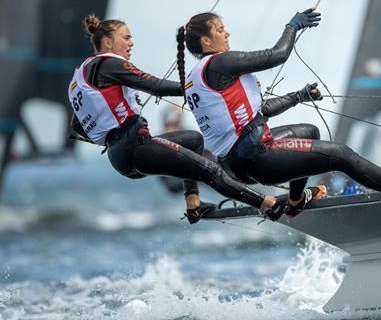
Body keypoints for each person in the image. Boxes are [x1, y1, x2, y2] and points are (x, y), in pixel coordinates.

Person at [175, 9, 381, 218]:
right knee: (340, 154)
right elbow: (277, 55)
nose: (227, 34)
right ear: (206, 40)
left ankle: (296, 202)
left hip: (238, 161)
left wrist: (299, 96)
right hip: (257, 157)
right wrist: (292, 26)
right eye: (221, 30)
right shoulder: (221, 62)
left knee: (309, 131)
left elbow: (258, 113)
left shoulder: (196, 77)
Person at [68, 14, 282, 223]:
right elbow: (156, 86)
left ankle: (193, 203)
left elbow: (77, 126)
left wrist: (110, 135)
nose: (131, 43)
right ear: (107, 42)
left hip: (120, 156)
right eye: (126, 38)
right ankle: (267, 204)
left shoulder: (82, 75)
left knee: (193, 140)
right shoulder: (109, 64)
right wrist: (197, 88)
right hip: (136, 148)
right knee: (211, 170)